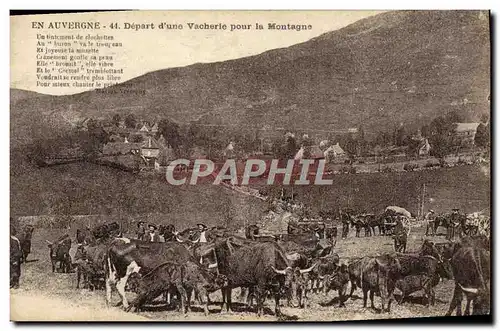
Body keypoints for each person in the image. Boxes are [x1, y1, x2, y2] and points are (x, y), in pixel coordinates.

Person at [10, 223, 22, 289]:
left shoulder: (14, 240)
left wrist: (14, 260)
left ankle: (15, 283)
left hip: (13, 259)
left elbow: (16, 252)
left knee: (14, 272)